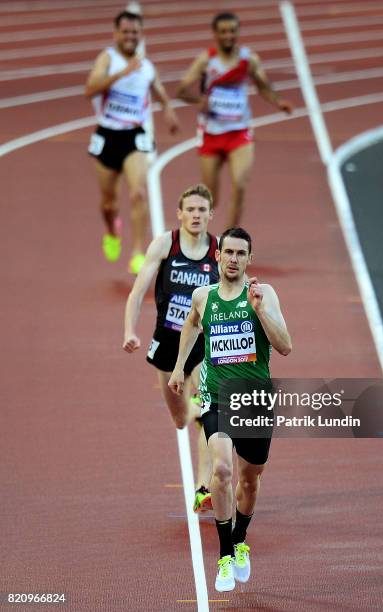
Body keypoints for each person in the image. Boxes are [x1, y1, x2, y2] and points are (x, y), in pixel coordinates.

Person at [168, 227, 292, 592]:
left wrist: (260, 312)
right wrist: (178, 367)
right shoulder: (203, 297)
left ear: (249, 258)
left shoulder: (263, 294)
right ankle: (224, 555)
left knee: (249, 480)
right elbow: (191, 325)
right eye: (228, 252)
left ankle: (239, 540)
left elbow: (285, 346)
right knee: (221, 470)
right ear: (217, 256)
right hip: (217, 397)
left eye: (241, 253)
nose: (234, 259)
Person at [123, 184, 219, 512]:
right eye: (190, 210)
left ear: (210, 215)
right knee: (181, 419)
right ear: (180, 213)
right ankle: (194, 410)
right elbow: (137, 293)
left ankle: (203, 487)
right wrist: (129, 331)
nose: (196, 215)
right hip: (167, 340)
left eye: (202, 210)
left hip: (205, 343)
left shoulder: (219, 251)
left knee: (207, 410)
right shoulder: (166, 244)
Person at [176, 12, 293, 229]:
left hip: (239, 132)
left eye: (232, 31)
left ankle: (228, 243)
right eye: (223, 32)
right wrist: (199, 100)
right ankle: (199, 240)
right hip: (211, 133)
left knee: (239, 185)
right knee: (210, 198)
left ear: (238, 32)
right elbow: (181, 91)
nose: (228, 36)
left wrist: (278, 102)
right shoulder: (207, 60)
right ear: (215, 34)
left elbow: (263, 86)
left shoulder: (248, 60)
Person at [85, 10, 179, 275]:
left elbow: (159, 92)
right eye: (125, 32)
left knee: (138, 193)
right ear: (116, 34)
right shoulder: (108, 59)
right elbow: (90, 89)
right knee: (108, 203)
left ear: (141, 35)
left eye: (135, 32)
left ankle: (138, 252)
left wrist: (169, 110)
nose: (130, 36)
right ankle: (111, 229)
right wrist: (122, 73)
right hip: (107, 135)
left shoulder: (147, 66)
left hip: (134, 136)